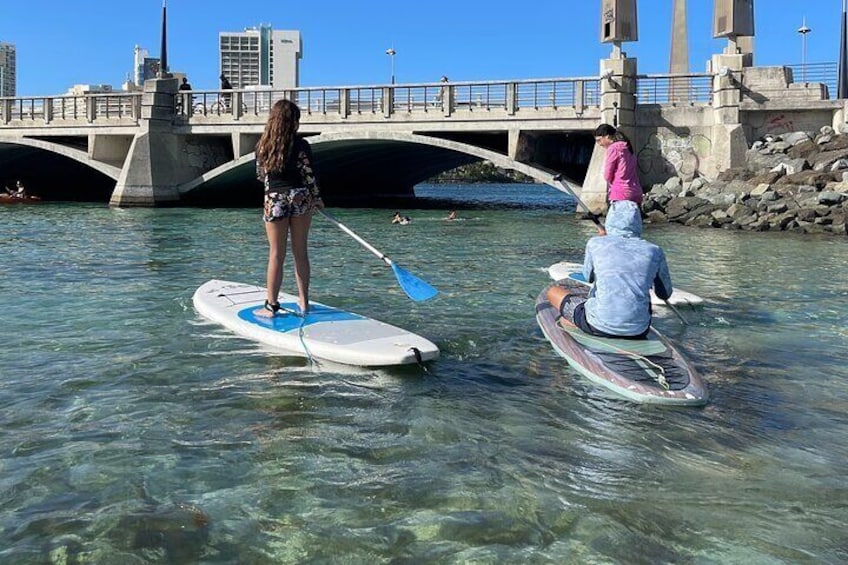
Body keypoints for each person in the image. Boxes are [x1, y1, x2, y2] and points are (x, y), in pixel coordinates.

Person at [547, 202, 672, 339]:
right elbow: (664, 294)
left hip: (597, 324)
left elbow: (588, 277)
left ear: (610, 220)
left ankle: (574, 321)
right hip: (639, 330)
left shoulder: (595, 243)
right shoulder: (654, 251)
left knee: (553, 292)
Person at [255, 99, 324, 317]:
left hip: (274, 199)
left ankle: (271, 305)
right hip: (300, 196)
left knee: (276, 254)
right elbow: (308, 174)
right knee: (300, 252)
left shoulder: (263, 145)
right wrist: (317, 197)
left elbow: (261, 175)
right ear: (293, 121)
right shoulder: (301, 145)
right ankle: (304, 302)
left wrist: (271, 196)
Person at [593, 123, 643, 235]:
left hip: (620, 194)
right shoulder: (628, 147)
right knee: (631, 232)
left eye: (599, 140)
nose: (599, 144)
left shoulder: (613, 148)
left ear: (607, 136)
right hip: (635, 194)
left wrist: (610, 182)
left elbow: (607, 174)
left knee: (613, 233)